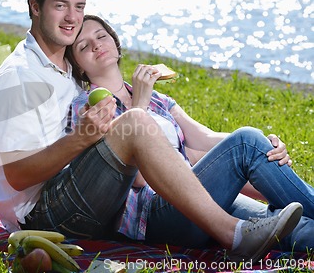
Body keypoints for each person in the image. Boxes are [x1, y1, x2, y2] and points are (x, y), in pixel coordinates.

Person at [0, 0, 303, 263]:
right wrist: (82, 139)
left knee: (291, 222)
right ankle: (234, 238)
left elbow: (191, 145)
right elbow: (17, 175)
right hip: (45, 217)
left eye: (78, 6)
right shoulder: (17, 78)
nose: (71, 17)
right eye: (59, 6)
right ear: (35, 7)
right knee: (135, 122)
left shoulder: (68, 70)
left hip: (92, 197)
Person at [65, 14, 314, 252]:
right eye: (84, 46)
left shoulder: (158, 100)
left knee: (291, 227)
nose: (97, 46)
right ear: (78, 64)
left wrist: (265, 146)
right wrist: (138, 103)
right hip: (157, 214)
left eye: (101, 36)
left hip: (200, 196)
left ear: (116, 44)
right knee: (246, 141)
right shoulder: (88, 108)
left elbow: (206, 137)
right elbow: (137, 178)